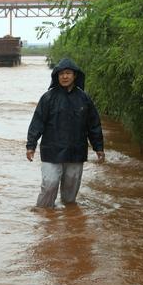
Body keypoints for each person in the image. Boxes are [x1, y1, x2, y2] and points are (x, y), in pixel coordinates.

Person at [26, 58, 105, 208]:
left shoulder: (84, 99)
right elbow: (37, 122)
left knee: (70, 193)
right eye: (61, 74)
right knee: (49, 184)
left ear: (75, 75)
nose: (64, 76)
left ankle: (69, 217)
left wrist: (98, 148)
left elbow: (93, 125)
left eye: (68, 73)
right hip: (52, 150)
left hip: (76, 151)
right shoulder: (48, 98)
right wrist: (31, 146)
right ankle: (43, 214)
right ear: (57, 76)